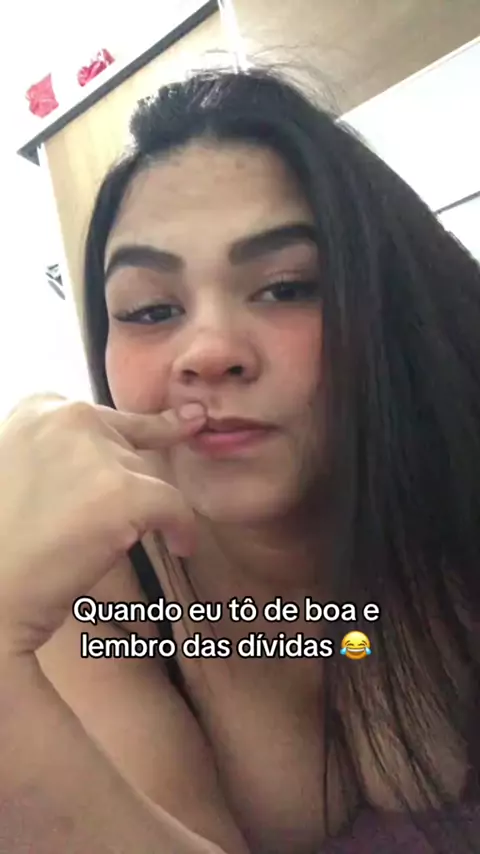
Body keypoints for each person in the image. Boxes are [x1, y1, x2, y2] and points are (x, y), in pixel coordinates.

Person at [0, 65, 479, 854]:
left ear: (386, 302)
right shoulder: (100, 582)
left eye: (286, 288)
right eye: (151, 309)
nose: (209, 351)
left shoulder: (456, 473)